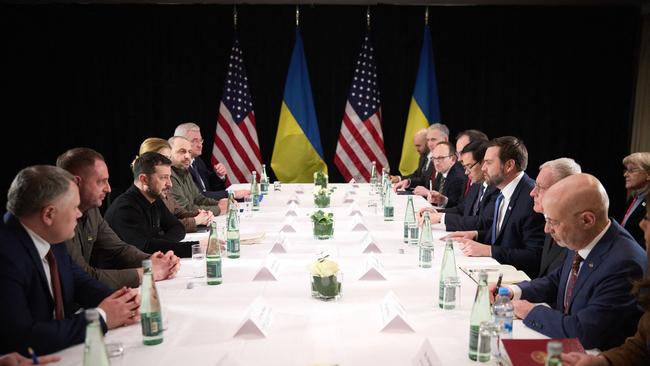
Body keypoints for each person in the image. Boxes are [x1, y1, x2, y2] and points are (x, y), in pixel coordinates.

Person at [494, 174, 645, 350]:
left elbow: (585, 332)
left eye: (553, 222)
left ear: (587, 220)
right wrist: (514, 291)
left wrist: (530, 311)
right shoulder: (582, 237)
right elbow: (557, 280)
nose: (547, 229)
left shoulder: (625, 264)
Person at [0, 165, 140, 356]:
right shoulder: (7, 255)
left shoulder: (50, 235)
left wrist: (122, 302)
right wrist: (102, 317)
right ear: (49, 214)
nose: (79, 214)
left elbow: (79, 281)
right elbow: (23, 338)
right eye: (74, 207)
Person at [57, 148, 179, 290]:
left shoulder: (92, 211)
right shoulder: (58, 220)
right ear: (76, 182)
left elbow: (119, 249)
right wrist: (146, 272)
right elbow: (81, 276)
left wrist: (152, 261)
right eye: (101, 182)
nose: (108, 189)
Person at [562, 197, 650, 365]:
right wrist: (603, 361)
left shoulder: (625, 260)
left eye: (648, 218)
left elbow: (586, 330)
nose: (641, 224)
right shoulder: (579, 242)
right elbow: (641, 346)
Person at [444, 136, 546, 277]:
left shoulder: (530, 197)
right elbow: (506, 235)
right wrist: (476, 234)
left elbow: (535, 256)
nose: (483, 168)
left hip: (516, 280)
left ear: (509, 165)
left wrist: (489, 250)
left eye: (488, 163)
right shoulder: (504, 190)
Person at [104, 152, 190, 257]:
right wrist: (196, 248)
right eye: (163, 177)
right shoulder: (125, 209)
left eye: (169, 177)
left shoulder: (154, 198)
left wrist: (157, 243)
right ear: (144, 179)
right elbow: (144, 248)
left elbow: (178, 227)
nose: (170, 184)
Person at [418, 139, 499, 231]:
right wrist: (435, 212)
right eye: (465, 167)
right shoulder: (477, 184)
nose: (466, 172)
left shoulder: (496, 187)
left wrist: (441, 218)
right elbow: (462, 209)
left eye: (469, 166)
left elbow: (482, 222)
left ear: (483, 163)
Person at [138, 137, 213, 232]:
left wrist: (201, 214)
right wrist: (195, 220)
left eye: (169, 158)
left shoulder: (165, 186)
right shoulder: (146, 195)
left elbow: (179, 211)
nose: (170, 184)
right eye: (164, 158)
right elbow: (163, 228)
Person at [533, 158, 582, 279]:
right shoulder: (549, 219)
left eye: (540, 187)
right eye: (535, 185)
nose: (533, 192)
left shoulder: (576, 229)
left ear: (562, 190)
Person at [174, 122, 249, 200]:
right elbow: (199, 196)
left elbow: (210, 186)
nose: (200, 145)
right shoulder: (179, 166)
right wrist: (232, 194)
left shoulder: (197, 160)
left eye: (200, 140)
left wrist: (218, 175)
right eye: (194, 141)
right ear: (180, 142)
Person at [168, 136, 228, 216]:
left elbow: (199, 198)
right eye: (182, 151)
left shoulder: (185, 171)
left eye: (189, 152)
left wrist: (219, 203)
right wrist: (219, 209)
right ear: (169, 154)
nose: (187, 156)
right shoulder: (169, 175)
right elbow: (185, 209)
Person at [394, 123, 450, 193]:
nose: (429, 144)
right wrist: (408, 182)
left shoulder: (451, 162)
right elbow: (424, 180)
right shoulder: (433, 159)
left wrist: (428, 193)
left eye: (433, 139)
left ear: (445, 139)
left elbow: (448, 197)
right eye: (428, 140)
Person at [424, 141, 467, 208]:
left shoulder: (458, 177)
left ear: (453, 159)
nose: (436, 163)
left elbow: (456, 206)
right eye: (434, 158)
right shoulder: (441, 172)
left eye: (441, 158)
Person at [620, 152, 649, 248]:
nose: (625, 174)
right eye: (626, 170)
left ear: (648, 174)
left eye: (631, 170)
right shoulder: (633, 198)